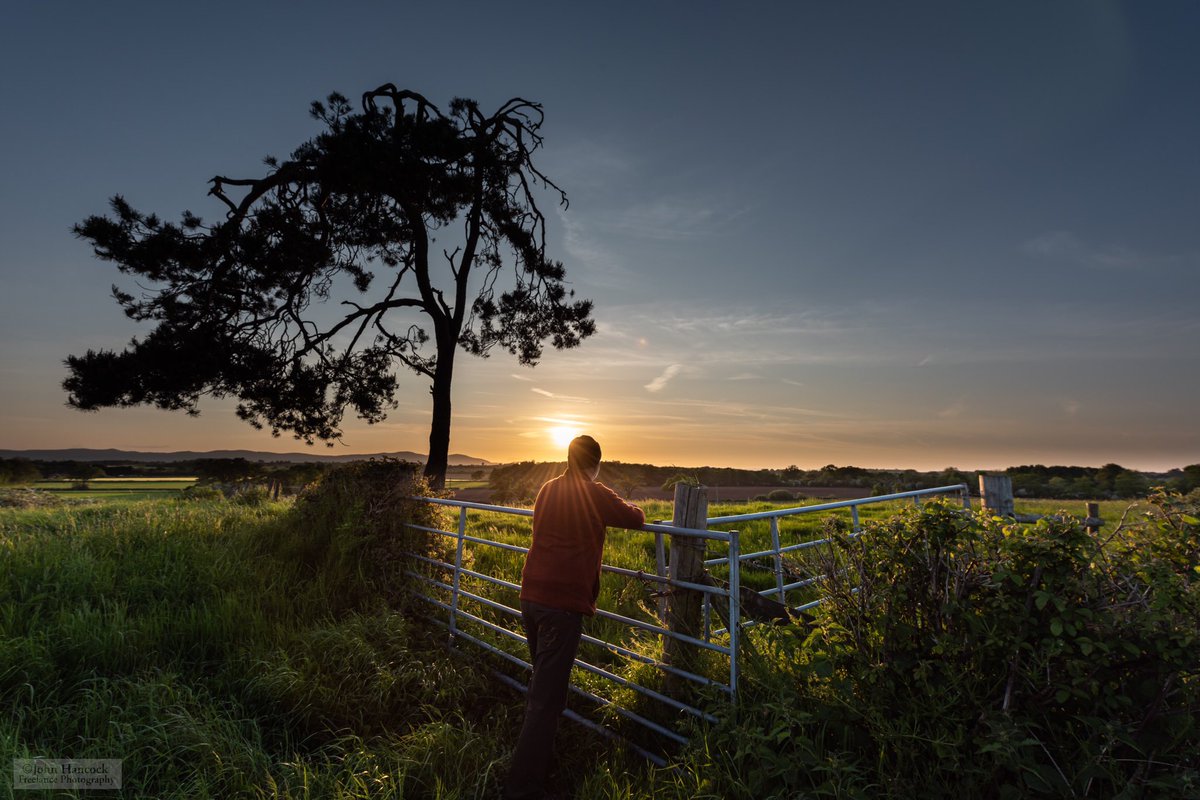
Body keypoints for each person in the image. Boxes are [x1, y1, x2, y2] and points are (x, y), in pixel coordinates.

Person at [504, 435, 645, 800]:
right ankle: (523, 787)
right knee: (545, 698)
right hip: (561, 607)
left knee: (545, 686)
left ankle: (541, 759)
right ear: (595, 463)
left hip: (531, 596)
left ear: (567, 459)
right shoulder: (594, 492)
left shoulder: (548, 489)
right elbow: (635, 518)